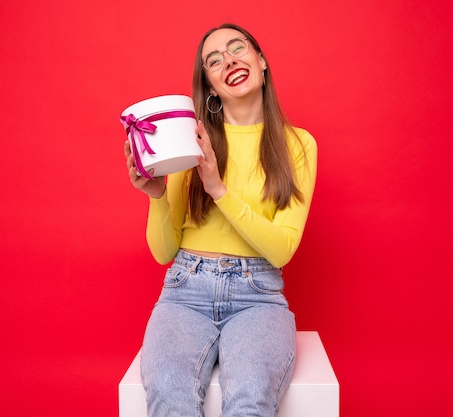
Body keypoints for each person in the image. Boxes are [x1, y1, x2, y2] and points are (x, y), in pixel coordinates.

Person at [123, 23, 318, 417]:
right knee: (168, 395)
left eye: (237, 49)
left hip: (257, 297)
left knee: (249, 401)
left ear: (260, 61)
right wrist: (157, 197)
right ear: (210, 85)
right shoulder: (187, 141)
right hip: (184, 293)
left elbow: (281, 250)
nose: (229, 60)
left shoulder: (299, 145)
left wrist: (218, 189)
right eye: (214, 60)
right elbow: (163, 253)